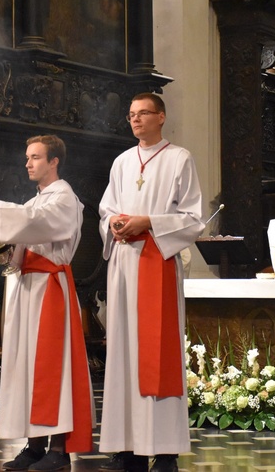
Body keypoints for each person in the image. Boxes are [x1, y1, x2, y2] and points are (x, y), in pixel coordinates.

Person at [0, 135, 95, 472]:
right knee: (26, 367)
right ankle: (34, 445)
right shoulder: (36, 199)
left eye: (36, 157)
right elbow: (24, 233)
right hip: (27, 288)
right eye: (27, 157)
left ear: (54, 161)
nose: (28, 163)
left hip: (49, 289)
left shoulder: (64, 197)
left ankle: (59, 449)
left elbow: (38, 226)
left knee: (51, 368)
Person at [98, 93, 205, 472]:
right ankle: (125, 445)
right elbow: (107, 206)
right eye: (131, 115)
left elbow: (193, 218)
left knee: (156, 355)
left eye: (143, 113)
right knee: (123, 353)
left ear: (161, 116)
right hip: (124, 265)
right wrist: (113, 222)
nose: (136, 120)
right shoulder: (122, 161)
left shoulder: (179, 158)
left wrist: (150, 222)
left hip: (157, 261)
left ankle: (164, 450)